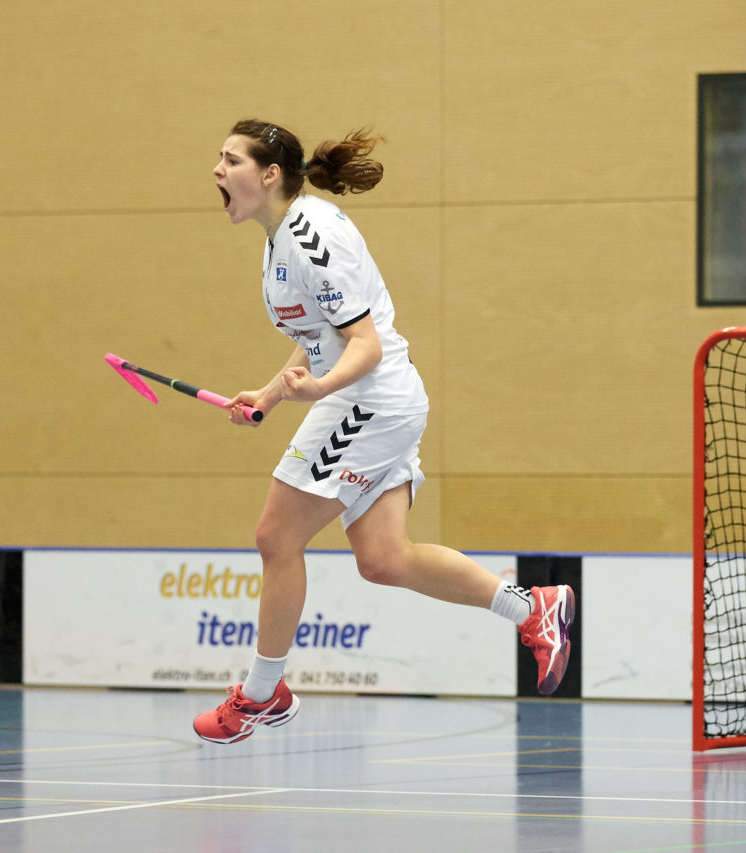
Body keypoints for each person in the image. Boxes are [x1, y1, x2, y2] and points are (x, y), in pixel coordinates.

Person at [192, 119, 575, 744]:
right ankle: (533, 608)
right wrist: (268, 396)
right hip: (369, 400)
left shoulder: (312, 236)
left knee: (275, 537)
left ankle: (261, 694)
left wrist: (315, 390)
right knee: (384, 560)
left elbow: (364, 346)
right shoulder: (281, 239)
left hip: (371, 402)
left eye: (230, 159)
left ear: (268, 175)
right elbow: (319, 339)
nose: (217, 169)